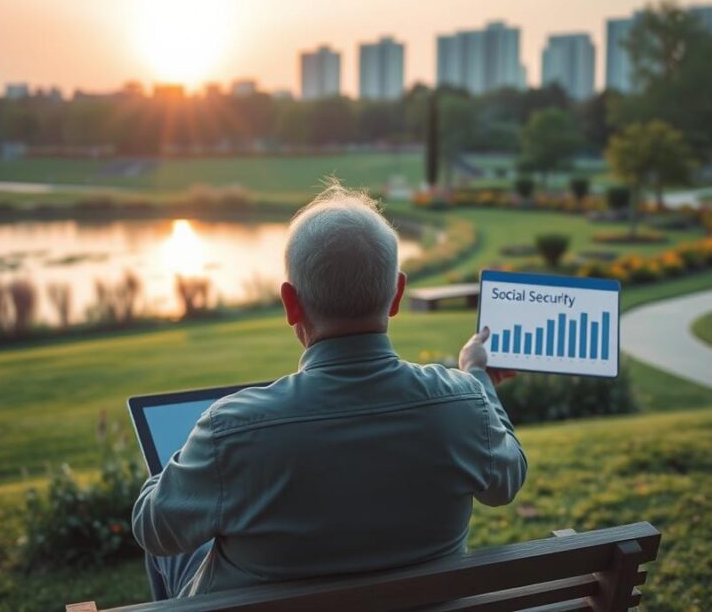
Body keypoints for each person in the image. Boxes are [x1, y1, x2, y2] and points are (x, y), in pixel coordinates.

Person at [132, 182, 527, 599]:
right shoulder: (463, 405)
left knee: (179, 550)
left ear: (291, 303)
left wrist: (165, 473)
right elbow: (509, 477)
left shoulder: (229, 431)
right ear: (396, 294)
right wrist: (478, 376)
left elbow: (155, 530)